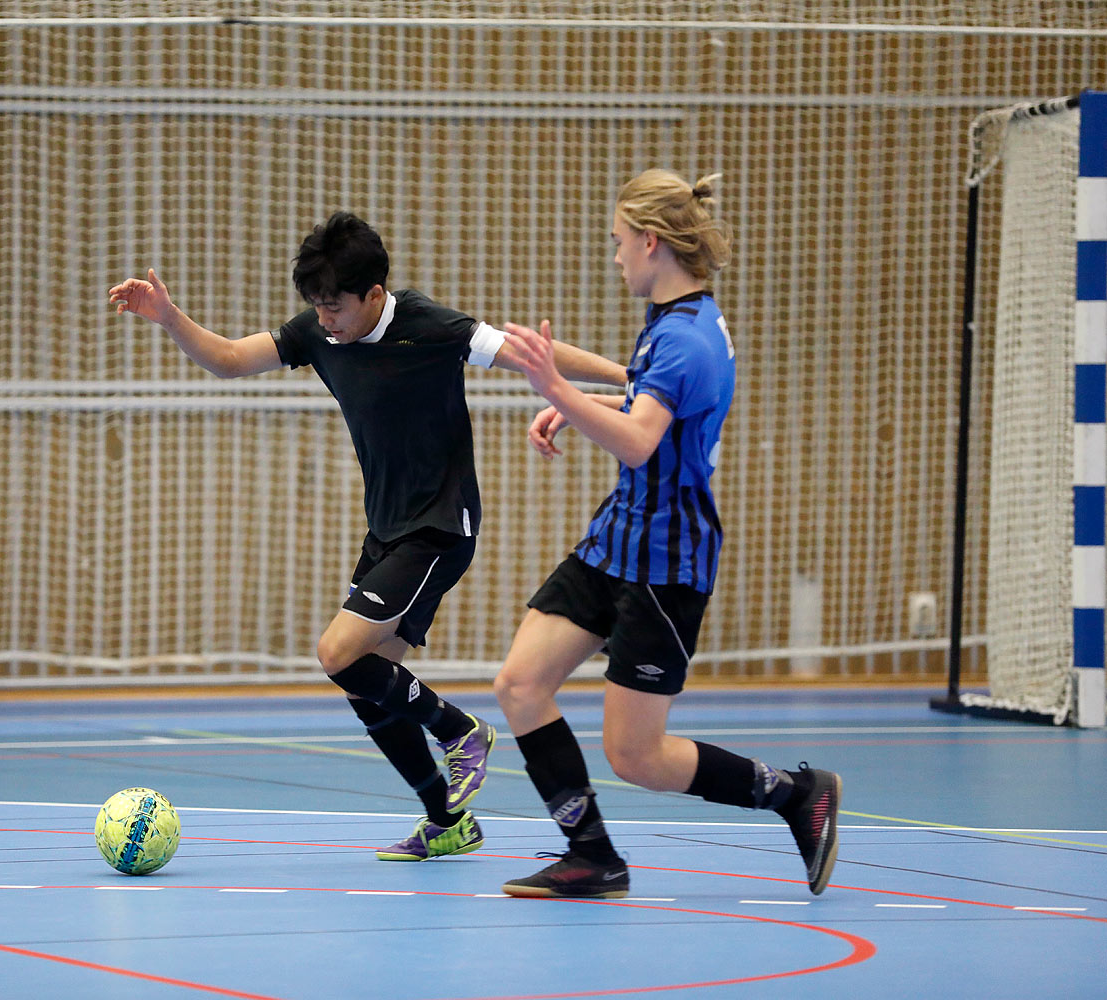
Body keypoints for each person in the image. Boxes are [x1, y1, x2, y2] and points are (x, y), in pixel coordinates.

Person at [110, 211, 624, 861]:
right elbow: (232, 360)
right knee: (365, 679)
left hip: (440, 525)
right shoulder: (320, 333)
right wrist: (170, 319)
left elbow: (533, 356)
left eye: (335, 308)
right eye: (317, 308)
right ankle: (449, 821)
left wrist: (627, 379)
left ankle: (460, 731)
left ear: (374, 295)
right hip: (387, 530)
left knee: (337, 651)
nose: (325, 321)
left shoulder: (430, 327)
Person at [493, 170, 841, 898]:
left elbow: (642, 443)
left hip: (666, 561)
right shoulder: (677, 321)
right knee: (521, 684)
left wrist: (555, 390)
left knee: (637, 756)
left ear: (652, 243)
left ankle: (792, 794)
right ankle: (591, 855)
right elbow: (650, 404)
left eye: (619, 243)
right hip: (616, 539)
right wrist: (586, 401)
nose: (615, 257)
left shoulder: (687, 339)